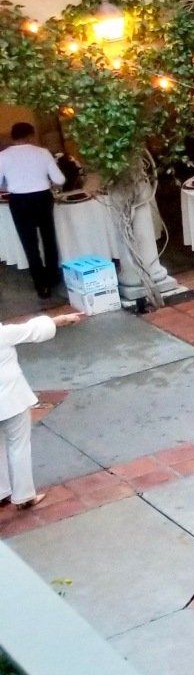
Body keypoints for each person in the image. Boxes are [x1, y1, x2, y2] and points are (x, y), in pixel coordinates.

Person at [0, 311, 82, 508]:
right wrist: (60, 320)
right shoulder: (3, 334)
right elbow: (32, 330)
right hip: (11, 399)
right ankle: (24, 496)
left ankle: (2, 492)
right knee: (18, 445)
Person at [0, 123, 68, 300]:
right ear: (31, 135)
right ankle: (53, 277)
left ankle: (41, 286)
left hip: (19, 201)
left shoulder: (3, 156)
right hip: (42, 198)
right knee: (48, 238)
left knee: (29, 243)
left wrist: (11, 184)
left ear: (13, 137)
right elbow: (59, 179)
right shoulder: (42, 152)